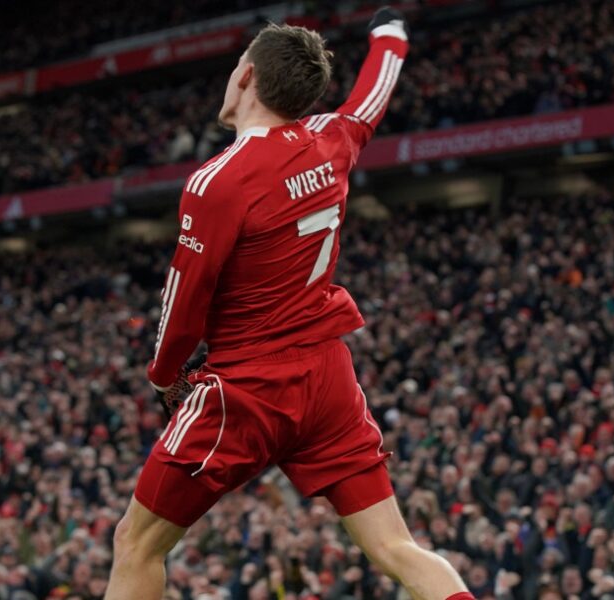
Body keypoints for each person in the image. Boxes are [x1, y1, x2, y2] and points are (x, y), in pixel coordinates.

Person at [104, 8, 474, 600]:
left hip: (248, 388)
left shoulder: (218, 181)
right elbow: (371, 97)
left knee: (137, 543)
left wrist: (164, 375)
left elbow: (184, 302)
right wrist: (390, 34)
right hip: (328, 380)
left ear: (247, 75)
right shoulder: (331, 140)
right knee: (395, 548)